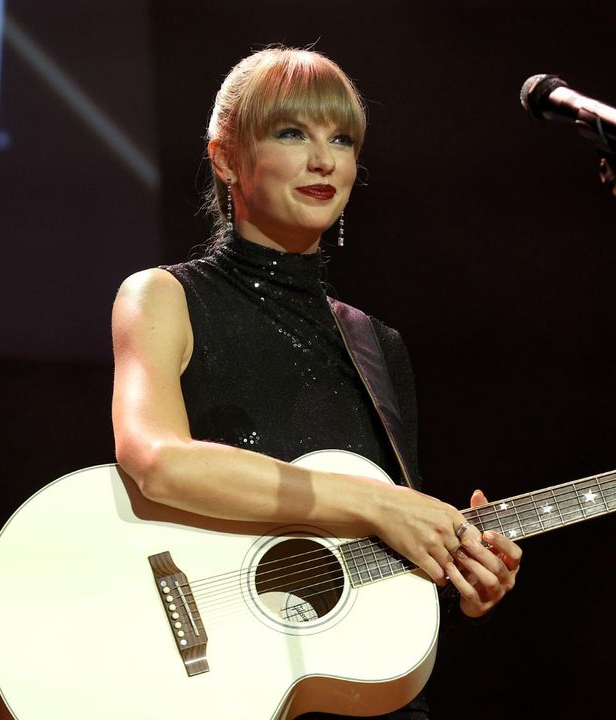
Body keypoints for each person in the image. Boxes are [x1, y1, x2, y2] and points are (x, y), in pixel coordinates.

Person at [109, 46, 522, 719]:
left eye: (342, 139)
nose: (325, 160)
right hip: (226, 686)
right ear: (225, 157)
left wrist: (459, 573)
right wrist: (376, 504)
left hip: (359, 690)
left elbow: (374, 546)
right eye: (292, 133)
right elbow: (155, 462)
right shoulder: (163, 298)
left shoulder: (375, 344)